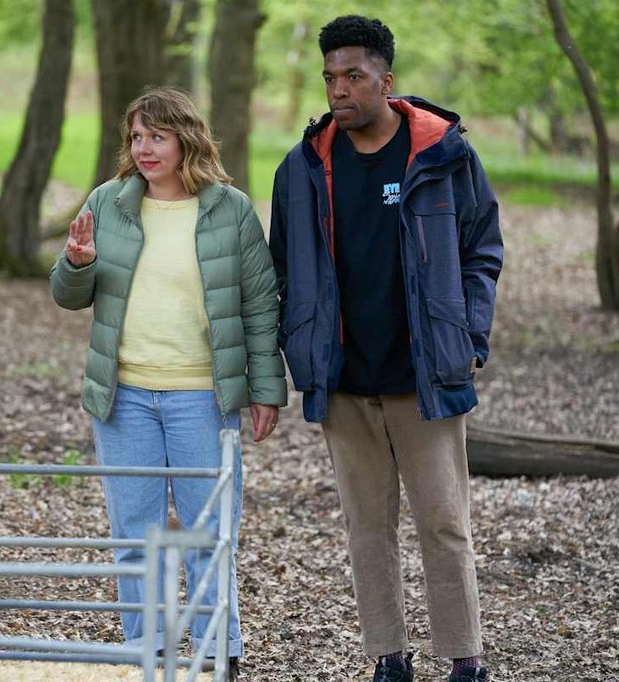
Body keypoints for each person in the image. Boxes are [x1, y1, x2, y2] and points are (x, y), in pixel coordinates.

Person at [268, 15, 503, 682]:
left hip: (425, 376)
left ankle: (465, 662)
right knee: (367, 530)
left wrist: (470, 338)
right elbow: (282, 264)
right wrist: (299, 342)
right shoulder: (304, 166)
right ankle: (388, 660)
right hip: (344, 381)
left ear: (385, 80)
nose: (339, 90)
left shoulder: (443, 155)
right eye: (330, 78)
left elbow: (482, 250)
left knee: (444, 525)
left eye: (353, 76)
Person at [51, 86, 285, 679]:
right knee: (135, 536)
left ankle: (215, 660)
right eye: (136, 137)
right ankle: (146, 658)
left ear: (186, 140)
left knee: (210, 535)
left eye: (157, 136)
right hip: (123, 397)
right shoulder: (109, 203)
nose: (145, 148)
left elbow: (260, 305)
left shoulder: (229, 210)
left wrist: (265, 389)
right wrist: (77, 262)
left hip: (202, 399)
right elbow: (69, 295)